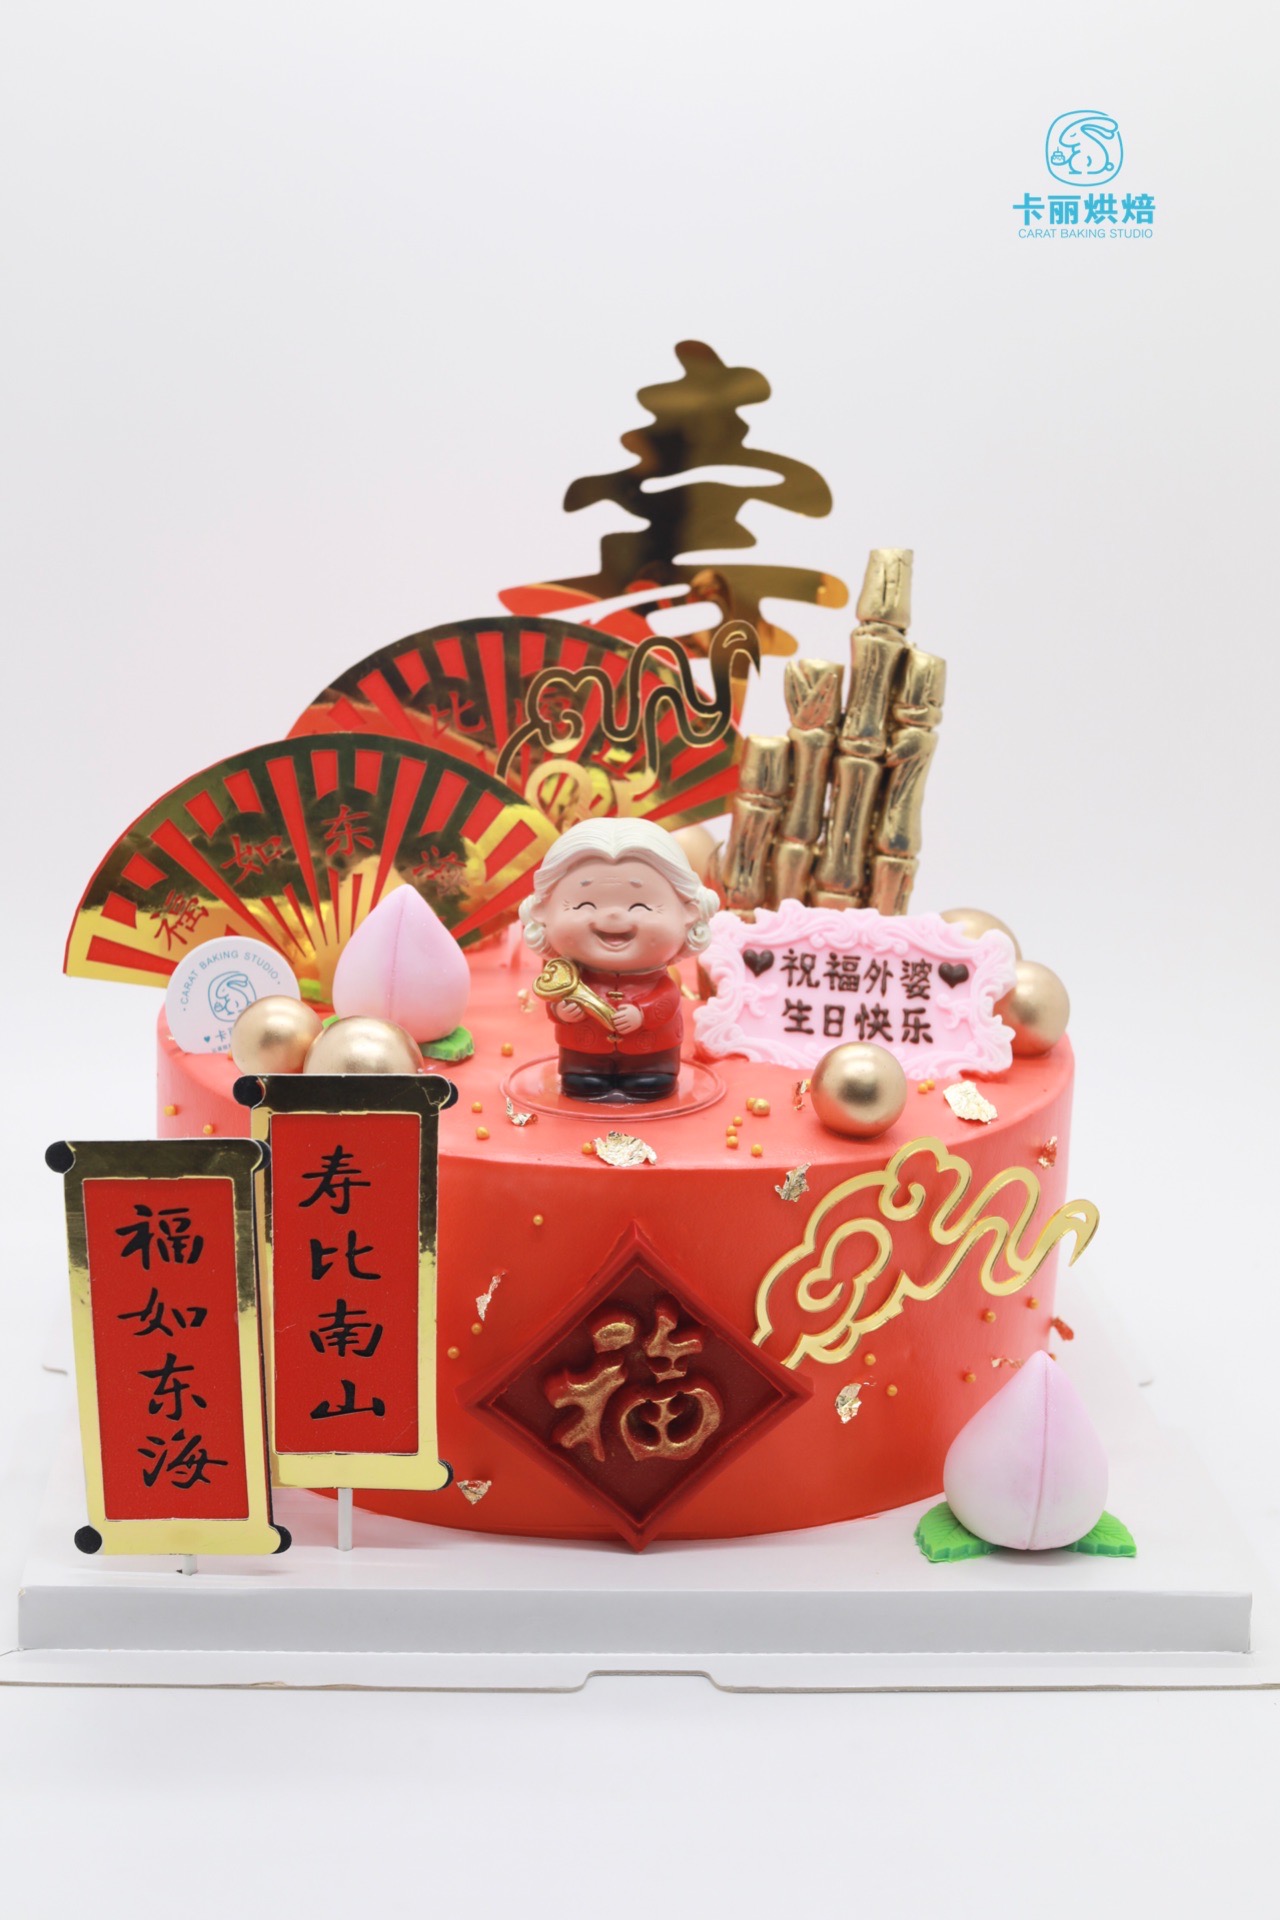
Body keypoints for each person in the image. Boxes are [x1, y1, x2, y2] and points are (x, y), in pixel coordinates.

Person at [519, 819, 720, 1102]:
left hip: (652, 1049)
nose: (613, 916)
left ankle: (653, 1073)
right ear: (543, 910)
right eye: (583, 904)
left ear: (688, 911)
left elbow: (668, 997)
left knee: (649, 1079)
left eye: (640, 906)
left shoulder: (657, 980)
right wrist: (561, 1011)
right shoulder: (570, 976)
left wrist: (642, 1013)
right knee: (583, 1080)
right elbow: (555, 999)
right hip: (584, 1048)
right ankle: (585, 1074)